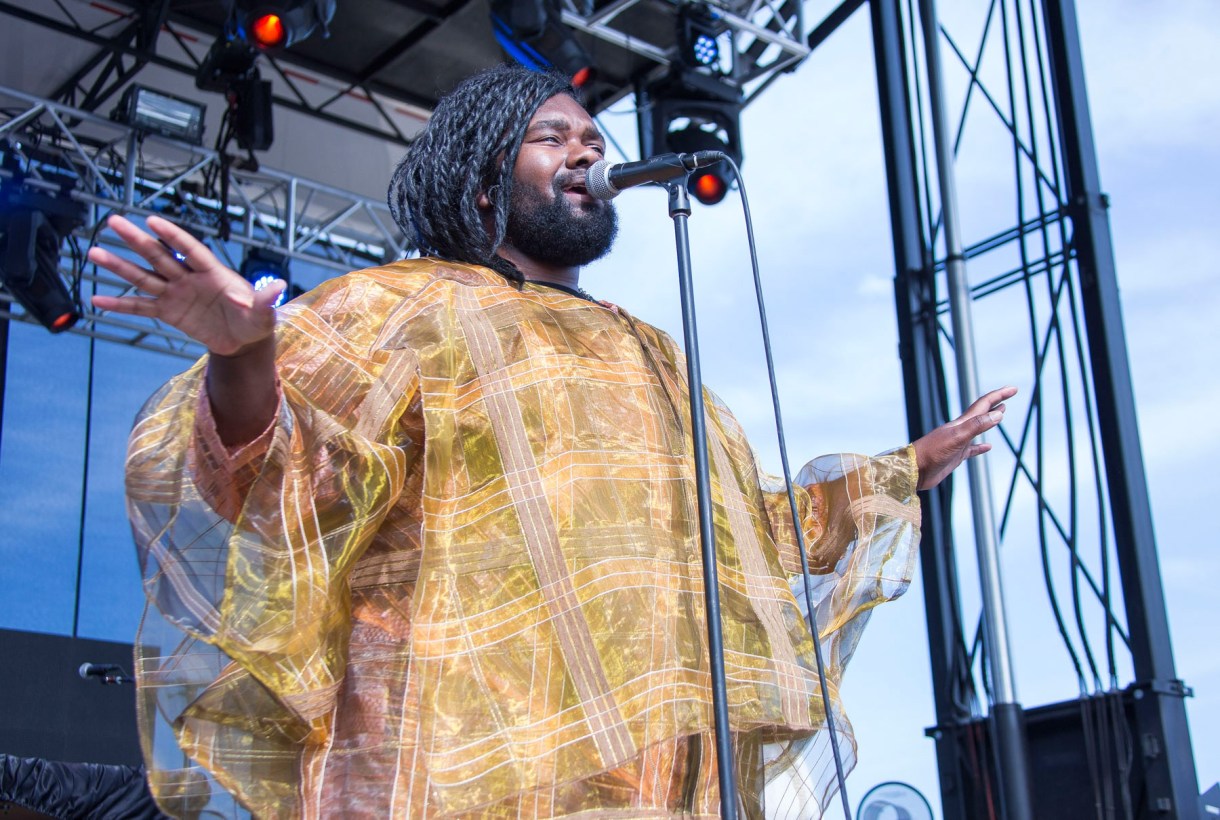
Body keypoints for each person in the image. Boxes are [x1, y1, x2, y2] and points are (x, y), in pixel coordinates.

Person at [89, 65, 1014, 819]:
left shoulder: (651, 353)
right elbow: (280, 482)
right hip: (443, 768)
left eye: (595, 141)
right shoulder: (399, 309)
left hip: (644, 782)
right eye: (555, 137)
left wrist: (908, 469)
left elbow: (749, 536)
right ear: (486, 177)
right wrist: (243, 358)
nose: (587, 151)